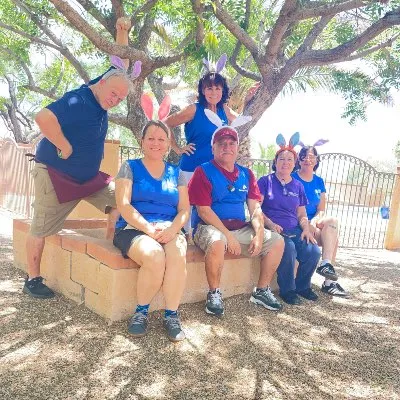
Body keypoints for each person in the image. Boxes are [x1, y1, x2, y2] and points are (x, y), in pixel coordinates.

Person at [23, 17, 137, 299]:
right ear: (102, 83)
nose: (115, 100)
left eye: (120, 98)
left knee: (120, 201)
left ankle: (110, 252)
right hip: (56, 176)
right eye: (113, 94)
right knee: (40, 228)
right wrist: (64, 145)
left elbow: (120, 64)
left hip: (89, 180)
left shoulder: (106, 85)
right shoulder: (78, 100)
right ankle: (32, 279)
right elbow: (43, 117)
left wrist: (121, 31)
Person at [188, 112, 284, 317]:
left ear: (237, 148)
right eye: (221, 143)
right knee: (217, 242)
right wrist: (227, 236)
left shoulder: (247, 174)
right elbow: (203, 211)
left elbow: (255, 208)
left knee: (277, 241)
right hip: (208, 228)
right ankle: (214, 294)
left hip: (239, 228)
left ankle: (261, 290)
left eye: (231, 143)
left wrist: (259, 234)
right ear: (213, 148)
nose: (227, 147)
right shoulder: (202, 172)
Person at [113, 96, 189, 342]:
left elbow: (184, 209)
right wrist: (148, 229)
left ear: (168, 144)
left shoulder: (176, 173)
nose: (156, 143)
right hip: (134, 227)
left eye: (161, 139)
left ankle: (171, 315)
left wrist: (174, 229)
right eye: (151, 138)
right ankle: (141, 312)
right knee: (155, 255)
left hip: (169, 228)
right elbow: (124, 205)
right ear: (142, 141)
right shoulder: (130, 167)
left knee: (177, 253)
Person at [164, 55, 238, 233]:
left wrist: (250, 99)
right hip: (192, 166)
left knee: (207, 208)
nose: (214, 92)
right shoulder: (194, 109)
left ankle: (204, 238)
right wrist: (177, 148)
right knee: (186, 207)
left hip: (215, 169)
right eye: (209, 88)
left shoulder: (224, 110)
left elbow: (241, 121)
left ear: (223, 91)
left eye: (217, 88)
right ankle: (183, 238)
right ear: (203, 90)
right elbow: (166, 123)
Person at [258, 134, 321, 305]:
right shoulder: (265, 181)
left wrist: (306, 229)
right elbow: (256, 209)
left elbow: (301, 213)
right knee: (289, 248)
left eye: (289, 159)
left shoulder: (298, 185)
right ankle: (288, 290)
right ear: (275, 162)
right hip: (273, 229)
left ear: (295, 164)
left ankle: (303, 286)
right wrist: (270, 224)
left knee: (314, 251)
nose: (285, 162)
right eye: (281, 159)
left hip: (295, 229)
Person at [292, 143, 348, 296]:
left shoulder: (319, 181)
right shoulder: (293, 178)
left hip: (313, 223)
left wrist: (313, 221)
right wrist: (306, 224)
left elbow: (321, 209)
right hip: (297, 223)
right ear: (299, 160)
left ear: (316, 160)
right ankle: (329, 283)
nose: (307, 159)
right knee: (333, 240)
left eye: (311, 157)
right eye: (304, 156)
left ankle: (326, 266)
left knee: (332, 222)